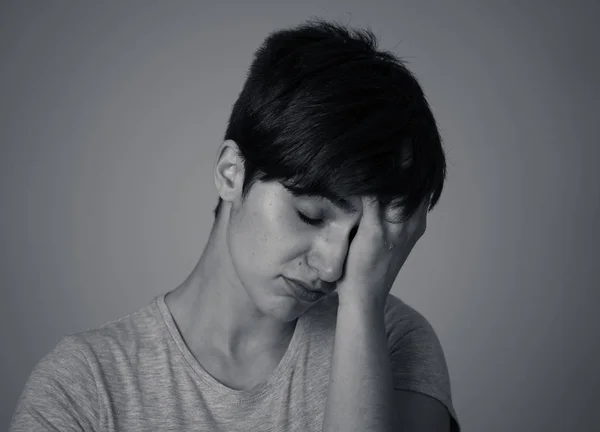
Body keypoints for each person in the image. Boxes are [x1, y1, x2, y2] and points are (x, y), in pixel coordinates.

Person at [10, 18, 460, 432]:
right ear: (231, 173)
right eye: (310, 214)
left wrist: (362, 303)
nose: (330, 267)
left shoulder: (393, 340)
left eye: (362, 237)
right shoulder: (85, 384)